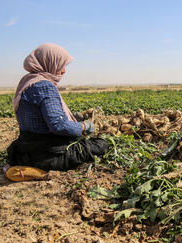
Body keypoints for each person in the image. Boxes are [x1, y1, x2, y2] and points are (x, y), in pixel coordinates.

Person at [7, 43, 110, 171]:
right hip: (47, 155)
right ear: (50, 62)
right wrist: (84, 126)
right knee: (102, 144)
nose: (64, 71)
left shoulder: (28, 82)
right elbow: (59, 125)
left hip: (25, 152)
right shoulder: (44, 86)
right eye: (62, 66)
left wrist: (75, 119)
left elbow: (43, 117)